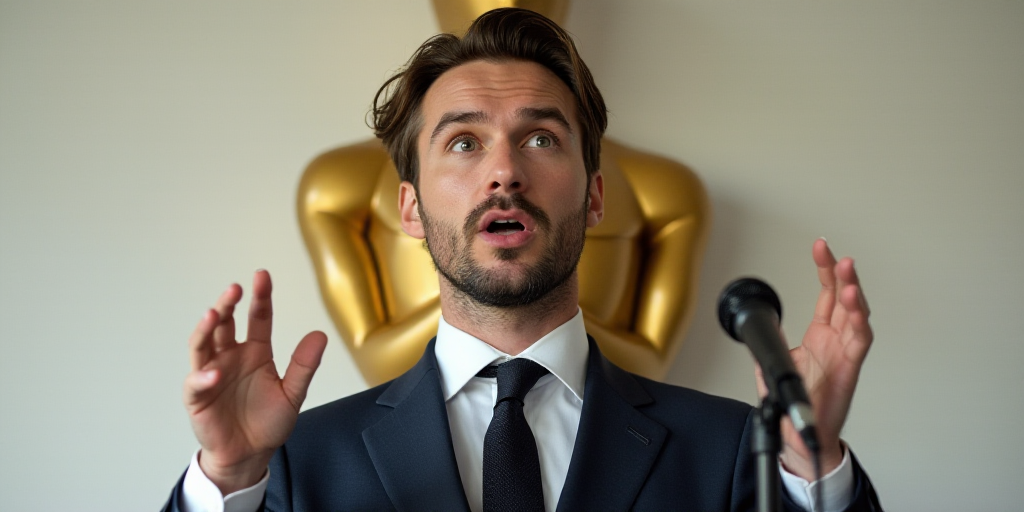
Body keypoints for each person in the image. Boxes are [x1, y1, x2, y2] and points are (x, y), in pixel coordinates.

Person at [164, 8, 881, 512]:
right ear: (410, 208)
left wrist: (812, 465)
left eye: (540, 139)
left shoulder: (734, 450)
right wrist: (228, 475)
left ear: (596, 196)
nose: (503, 172)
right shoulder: (292, 460)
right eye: (464, 142)